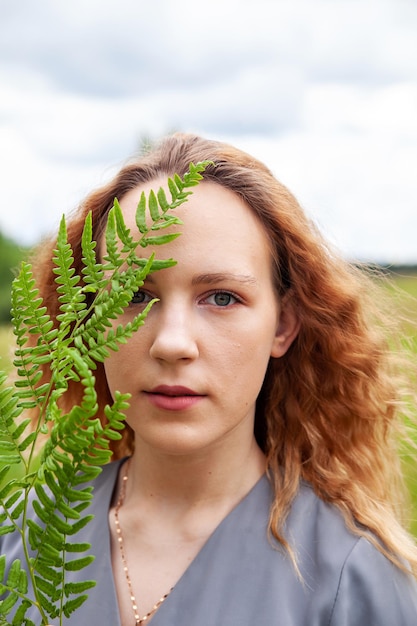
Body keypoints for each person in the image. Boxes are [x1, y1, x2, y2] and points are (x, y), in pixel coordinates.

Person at [2, 132, 417, 625]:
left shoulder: (358, 579)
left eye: (221, 297)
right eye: (134, 294)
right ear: (87, 317)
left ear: (283, 325)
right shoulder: (22, 542)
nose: (173, 343)